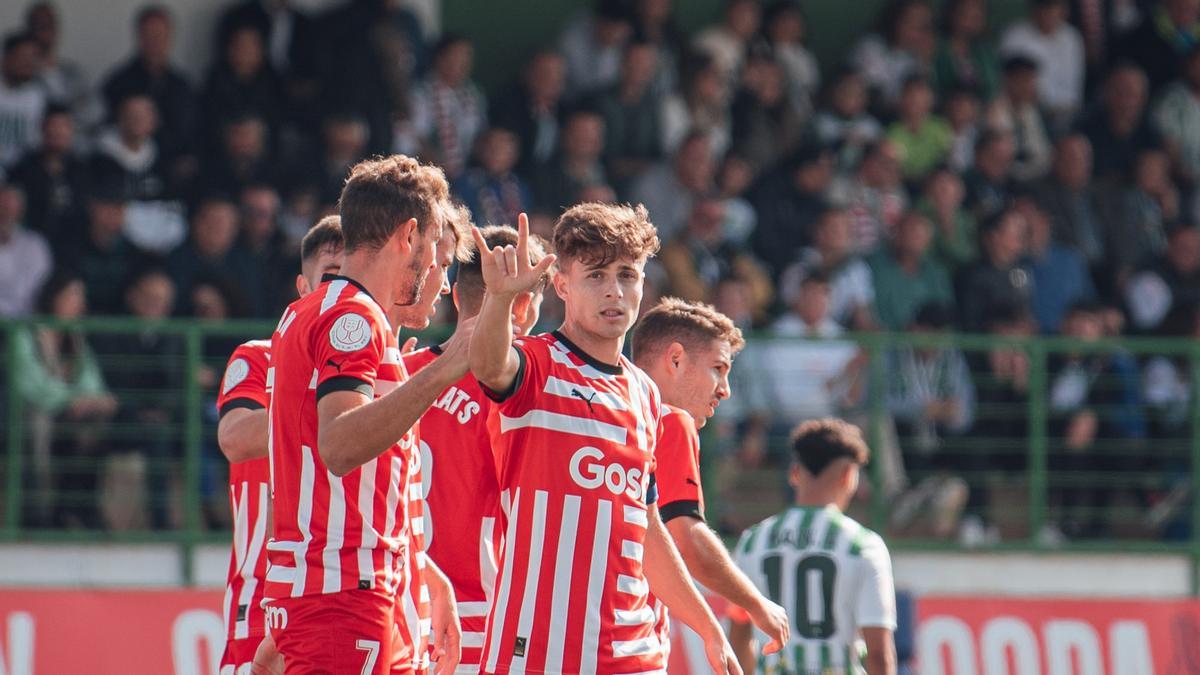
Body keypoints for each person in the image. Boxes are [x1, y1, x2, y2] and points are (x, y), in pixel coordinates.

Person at [466, 205, 743, 674]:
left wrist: (706, 625)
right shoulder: (537, 363)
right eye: (596, 275)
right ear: (562, 285)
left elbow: (648, 525)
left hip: (630, 653)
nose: (615, 290)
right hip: (538, 648)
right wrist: (498, 300)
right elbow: (491, 367)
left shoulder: (645, 394)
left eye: (627, 275)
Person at [262, 155, 466, 674]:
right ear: (409, 236)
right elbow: (339, 445)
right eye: (435, 245)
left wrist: (422, 566)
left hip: (356, 588)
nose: (437, 269)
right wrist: (443, 372)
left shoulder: (315, 310)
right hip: (343, 593)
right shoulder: (352, 316)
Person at [402, 224, 550, 674]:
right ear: (522, 306)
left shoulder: (397, 374)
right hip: (483, 620)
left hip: (403, 610)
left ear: (453, 295)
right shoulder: (526, 389)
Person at [214, 215, 344, 673]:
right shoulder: (259, 355)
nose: (340, 291)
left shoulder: (371, 364)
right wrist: (324, 406)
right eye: (329, 277)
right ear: (302, 286)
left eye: (351, 278)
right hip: (260, 595)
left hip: (334, 595)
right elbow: (233, 438)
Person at [629, 297, 789, 659]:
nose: (725, 389)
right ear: (675, 359)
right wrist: (756, 603)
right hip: (623, 639)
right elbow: (688, 539)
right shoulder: (670, 420)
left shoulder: (600, 411)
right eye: (718, 368)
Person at [729, 418, 897, 675]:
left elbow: (739, 636)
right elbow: (879, 654)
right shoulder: (863, 545)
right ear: (848, 476)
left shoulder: (753, 541)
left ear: (795, 473)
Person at [0, 183, 51, 317]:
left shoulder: (35, 246)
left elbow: (35, 293)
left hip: (26, 325)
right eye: (1, 208)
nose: (4, 214)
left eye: (9, 208)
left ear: (20, 211)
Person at [0, 32, 48, 169]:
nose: (28, 63)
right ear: (6, 58)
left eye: (32, 58)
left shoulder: (39, 96)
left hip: (25, 170)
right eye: (22, 57)